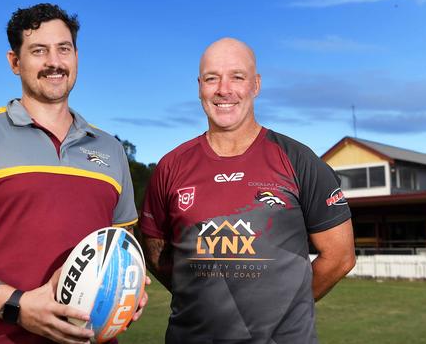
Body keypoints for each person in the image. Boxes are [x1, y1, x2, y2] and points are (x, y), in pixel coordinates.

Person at [0, 3, 146, 344]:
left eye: (63, 49)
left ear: (76, 56)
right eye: (39, 51)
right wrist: (18, 306)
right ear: (15, 62)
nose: (54, 62)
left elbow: (123, 248)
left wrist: (130, 290)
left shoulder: (110, 148)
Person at [139, 38, 356, 344]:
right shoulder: (170, 166)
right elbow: (154, 248)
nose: (223, 90)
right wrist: (198, 294)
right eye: (212, 78)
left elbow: (340, 256)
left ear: (256, 85)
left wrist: (290, 308)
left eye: (237, 77)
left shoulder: (298, 160)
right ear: (199, 85)